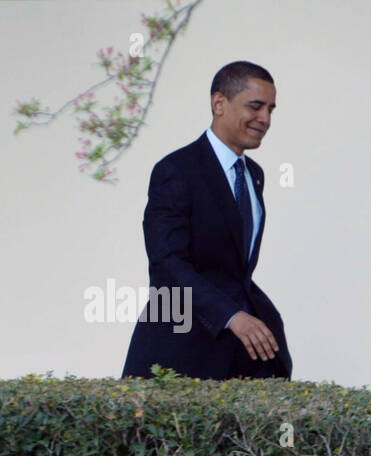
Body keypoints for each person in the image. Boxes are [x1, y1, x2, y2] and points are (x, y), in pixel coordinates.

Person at [122, 60, 293, 380]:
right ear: (219, 103)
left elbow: (233, 269)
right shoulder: (177, 170)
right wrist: (230, 315)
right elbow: (167, 263)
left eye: (271, 109)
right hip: (180, 348)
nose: (265, 119)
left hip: (237, 354)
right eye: (255, 106)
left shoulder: (254, 175)